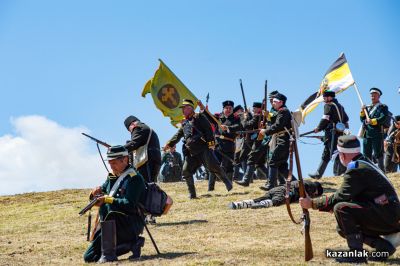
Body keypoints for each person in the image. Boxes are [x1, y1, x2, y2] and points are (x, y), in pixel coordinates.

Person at [300, 135, 400, 263]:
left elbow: (341, 196)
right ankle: (383, 247)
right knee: (343, 227)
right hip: (387, 212)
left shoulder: (356, 169)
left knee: (341, 208)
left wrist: (312, 203)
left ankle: (357, 255)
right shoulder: (363, 162)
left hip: (386, 214)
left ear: (342, 155)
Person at [83, 145, 146, 263]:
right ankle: (132, 245)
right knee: (89, 257)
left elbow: (129, 204)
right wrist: (93, 193)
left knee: (109, 209)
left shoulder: (134, 178)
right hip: (110, 224)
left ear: (125, 159)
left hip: (129, 224)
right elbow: (101, 192)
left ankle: (109, 254)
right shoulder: (112, 177)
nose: (111, 166)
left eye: (114, 163)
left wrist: (108, 200)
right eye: (110, 163)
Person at [164, 99, 233, 199]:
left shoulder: (199, 117)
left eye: (185, 108)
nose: (184, 110)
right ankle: (192, 195)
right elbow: (178, 135)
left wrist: (211, 144)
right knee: (186, 171)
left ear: (191, 108)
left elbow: (208, 129)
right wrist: (169, 144)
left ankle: (227, 182)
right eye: (183, 109)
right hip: (191, 152)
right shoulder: (184, 123)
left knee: (213, 167)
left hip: (203, 148)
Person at [201, 100, 242, 190]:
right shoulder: (218, 117)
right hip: (217, 145)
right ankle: (210, 188)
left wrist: (228, 128)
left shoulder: (236, 118)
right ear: (223, 109)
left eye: (230, 108)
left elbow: (238, 127)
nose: (228, 109)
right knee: (213, 165)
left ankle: (229, 186)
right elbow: (209, 117)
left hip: (229, 145)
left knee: (229, 167)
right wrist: (203, 109)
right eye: (226, 108)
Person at [309, 91, 349, 179]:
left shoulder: (329, 105)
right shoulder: (340, 106)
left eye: (325, 97)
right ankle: (318, 173)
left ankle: (339, 172)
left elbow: (325, 118)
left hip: (332, 133)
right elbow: (346, 118)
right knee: (327, 152)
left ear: (330, 97)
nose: (324, 99)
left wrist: (318, 128)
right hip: (339, 132)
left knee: (335, 152)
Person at [258, 92, 292, 191]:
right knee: (282, 167)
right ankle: (295, 184)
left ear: (281, 102)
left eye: (275, 102)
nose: (273, 103)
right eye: (272, 101)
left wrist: (266, 131)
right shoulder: (281, 111)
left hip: (283, 141)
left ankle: (271, 185)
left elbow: (278, 126)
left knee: (273, 161)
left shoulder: (283, 111)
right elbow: (275, 122)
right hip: (281, 140)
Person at [229, 180, 322, 209]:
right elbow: (300, 185)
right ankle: (258, 206)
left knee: (259, 199)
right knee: (275, 202)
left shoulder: (309, 184)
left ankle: (237, 205)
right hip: (284, 191)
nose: (314, 196)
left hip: (277, 189)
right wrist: (308, 196)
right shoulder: (312, 185)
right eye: (316, 195)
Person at [124, 115, 161, 183]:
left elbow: (133, 144)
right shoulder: (145, 127)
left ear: (132, 124)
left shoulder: (137, 128)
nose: (131, 132)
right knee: (151, 185)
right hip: (154, 159)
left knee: (147, 185)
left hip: (147, 160)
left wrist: (119, 150)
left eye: (130, 130)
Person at [360, 87, 389, 170]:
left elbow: (383, 118)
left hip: (377, 133)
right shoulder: (367, 107)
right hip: (367, 133)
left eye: (374, 95)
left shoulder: (383, 107)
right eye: (371, 95)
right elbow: (362, 119)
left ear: (378, 96)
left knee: (378, 153)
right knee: (366, 154)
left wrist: (372, 121)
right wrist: (362, 111)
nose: (372, 97)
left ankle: (382, 171)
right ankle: (367, 170)